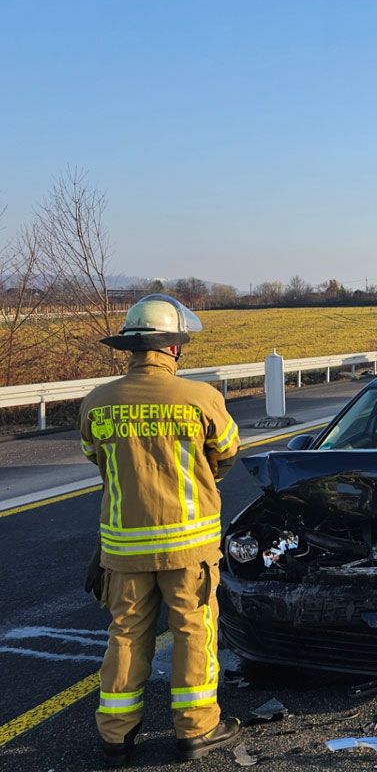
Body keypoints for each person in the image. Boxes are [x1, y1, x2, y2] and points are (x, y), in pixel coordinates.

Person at [79, 294, 243, 766]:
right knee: (193, 629)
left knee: (126, 633)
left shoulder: (97, 402)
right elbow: (227, 455)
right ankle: (197, 728)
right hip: (187, 548)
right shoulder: (202, 399)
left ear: (130, 347)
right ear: (173, 348)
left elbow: (97, 459)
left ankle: (116, 735)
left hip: (123, 548)